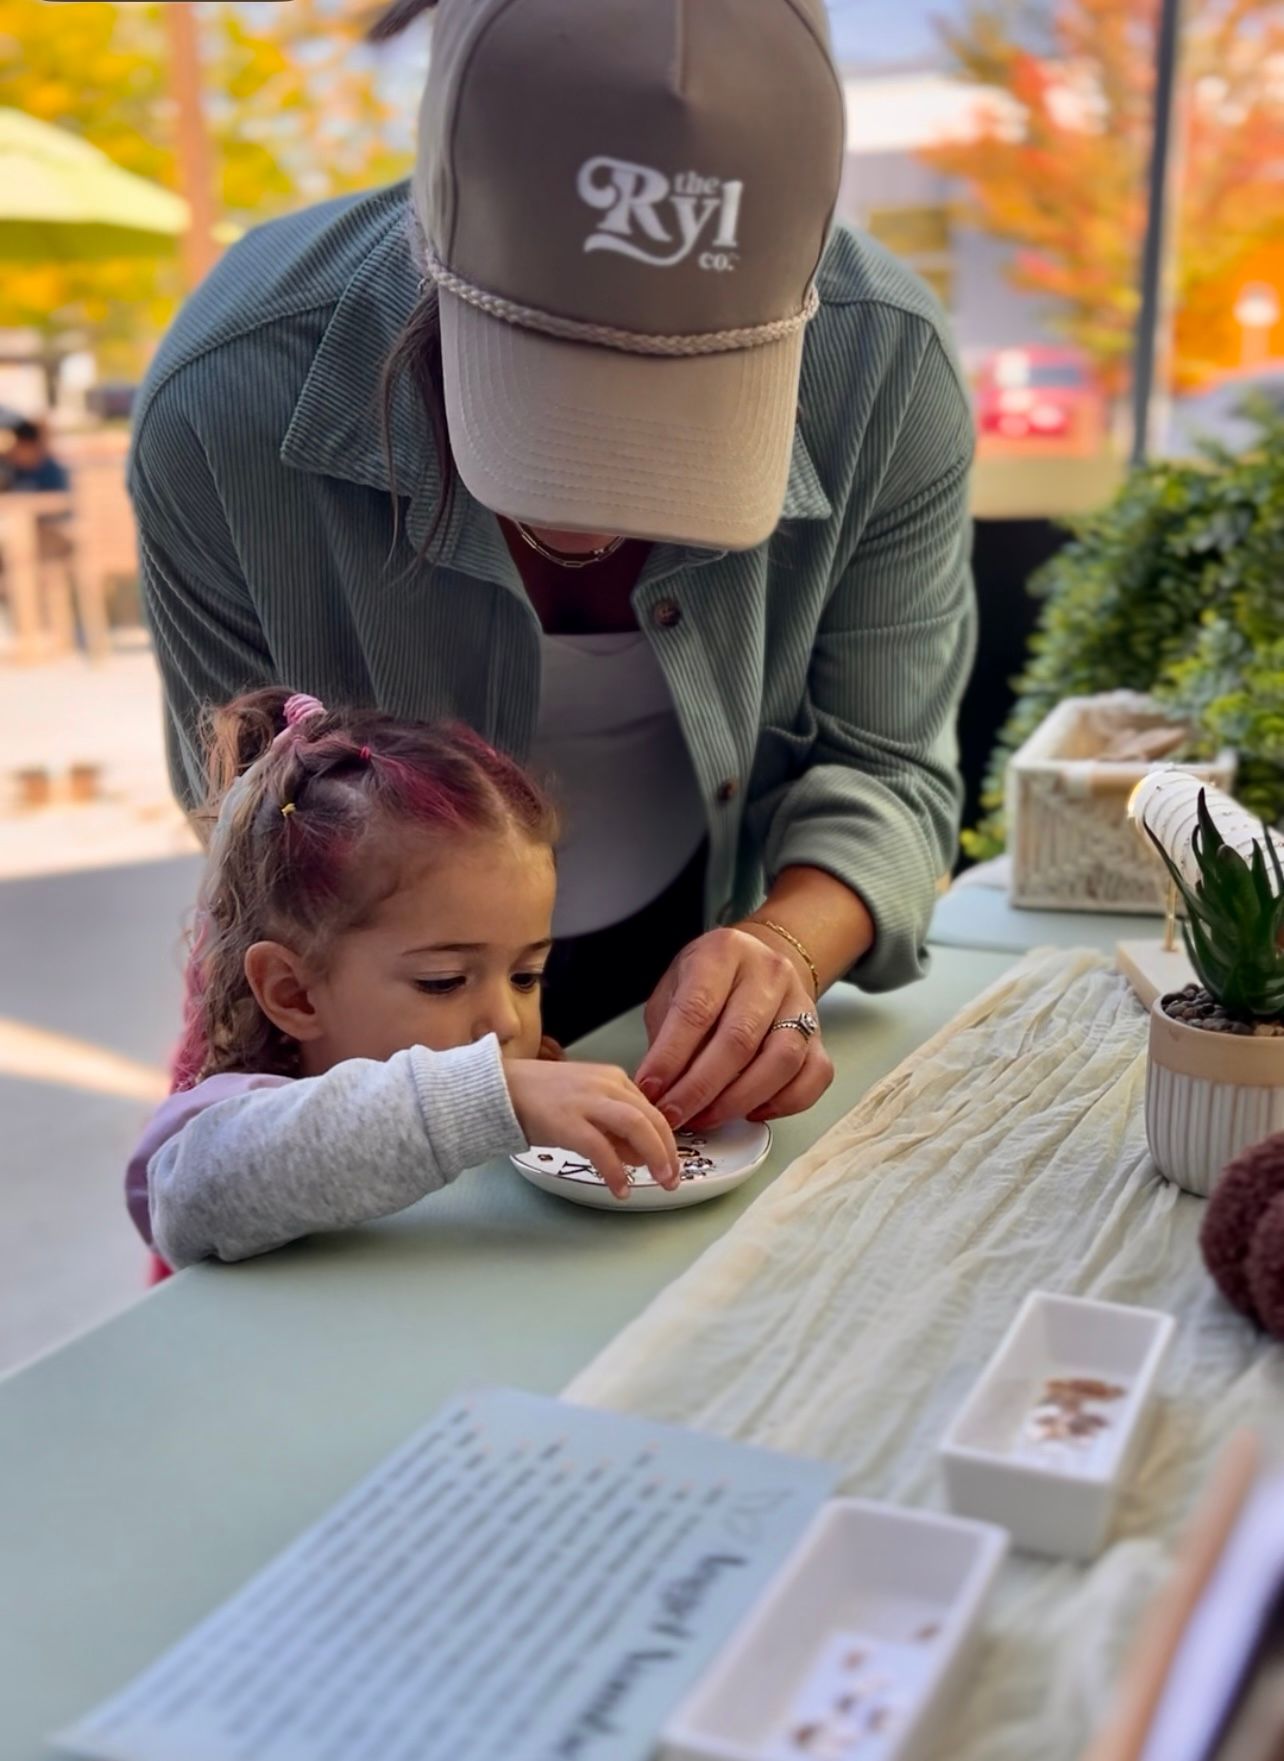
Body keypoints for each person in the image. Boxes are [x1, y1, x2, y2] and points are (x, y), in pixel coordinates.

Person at [129, 0, 976, 1138]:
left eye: (684, 409)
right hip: (366, 1032)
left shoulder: (885, 371)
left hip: (716, 931)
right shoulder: (231, 397)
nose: (593, 517)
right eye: (546, 386)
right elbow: (246, 825)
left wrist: (783, 950)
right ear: (438, 222)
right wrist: (443, 1076)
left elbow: (894, 771)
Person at [126, 688, 681, 1270]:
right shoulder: (237, 1121)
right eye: (443, 981)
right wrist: (487, 1100)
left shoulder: (515, 1084)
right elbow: (187, 1200)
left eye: (525, 976)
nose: (506, 1020)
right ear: (293, 992)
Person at [2, 419, 70, 495]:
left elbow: (60, 498)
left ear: (31, 446)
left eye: (19, 448)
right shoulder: (15, 469)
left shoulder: (51, 470)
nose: (13, 451)